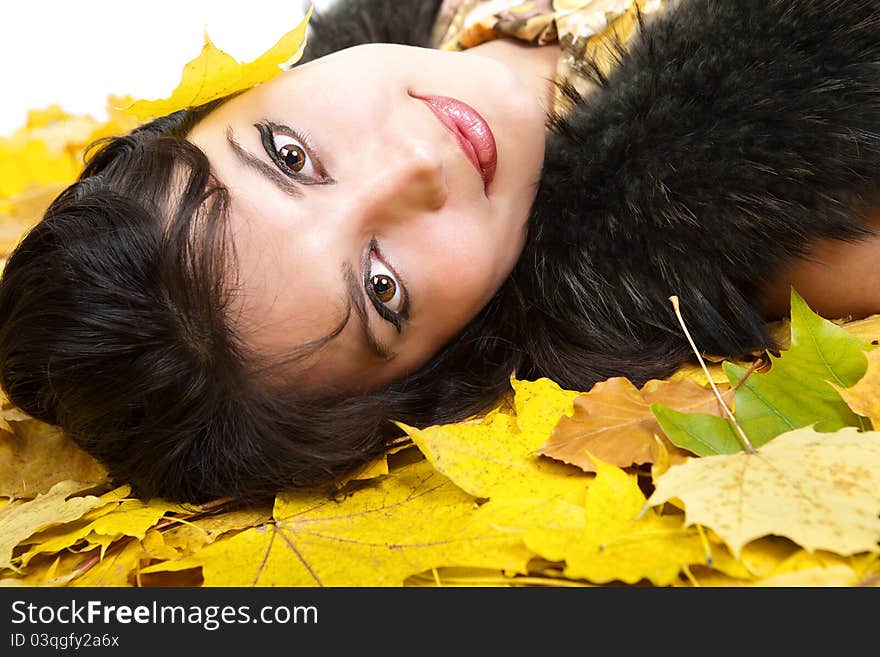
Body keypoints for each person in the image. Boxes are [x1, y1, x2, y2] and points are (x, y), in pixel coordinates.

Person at [0, 0, 877, 503]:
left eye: (289, 156)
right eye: (383, 288)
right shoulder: (775, 213)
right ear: (437, 367)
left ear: (216, 103)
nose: (416, 162)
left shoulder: (425, 20)